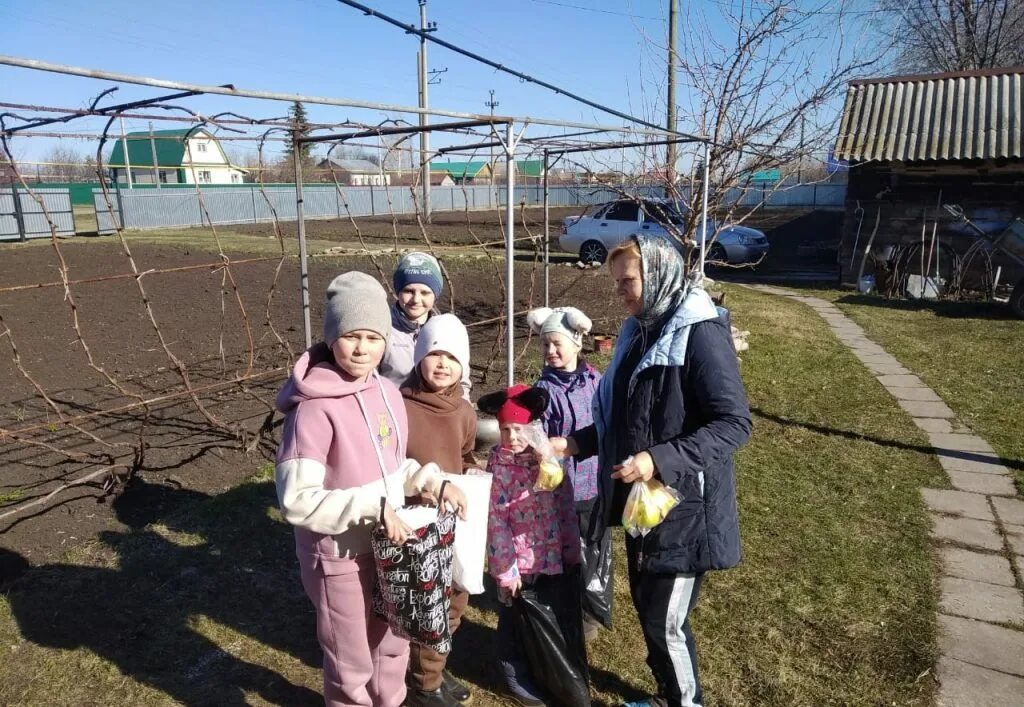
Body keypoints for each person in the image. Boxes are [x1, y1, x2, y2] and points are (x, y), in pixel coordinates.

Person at [552, 235, 752, 707]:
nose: (619, 291)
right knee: (649, 609)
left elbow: (734, 424)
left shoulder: (699, 333)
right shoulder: (639, 329)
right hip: (644, 505)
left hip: (684, 506)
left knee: (666, 621)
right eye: (616, 281)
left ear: (658, 275)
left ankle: (687, 702)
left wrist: (658, 459)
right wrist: (578, 442)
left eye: (627, 281)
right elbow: (624, 415)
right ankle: (668, 694)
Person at [274, 271, 467, 707]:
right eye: (351, 336)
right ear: (331, 338)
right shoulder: (312, 413)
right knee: (351, 656)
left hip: (390, 549)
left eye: (373, 336)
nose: (363, 348)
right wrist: (374, 508)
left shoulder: (386, 393)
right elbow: (296, 499)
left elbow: (394, 467)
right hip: (338, 556)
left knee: (393, 644)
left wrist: (431, 481)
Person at [480, 384, 582, 707]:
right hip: (517, 562)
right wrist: (506, 570)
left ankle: (537, 664)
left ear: (532, 427)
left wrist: (569, 546)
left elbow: (562, 502)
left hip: (548, 555)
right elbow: (496, 521)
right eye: (505, 430)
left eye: (518, 429)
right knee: (512, 617)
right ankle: (512, 672)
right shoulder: (499, 466)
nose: (512, 437)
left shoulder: (545, 461)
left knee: (540, 615)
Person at [400, 313, 477, 706]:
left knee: (455, 599)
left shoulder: (463, 411)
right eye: (433, 353)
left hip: (455, 519)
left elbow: (465, 456)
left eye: (451, 356)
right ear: (418, 357)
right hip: (416, 523)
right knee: (426, 605)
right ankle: (422, 686)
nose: (442, 363)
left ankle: (436, 671)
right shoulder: (401, 406)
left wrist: (477, 473)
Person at [526, 306, 608, 641]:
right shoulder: (542, 390)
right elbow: (534, 433)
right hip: (560, 488)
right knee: (565, 549)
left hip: (594, 482)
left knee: (595, 547)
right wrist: (542, 446)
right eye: (545, 345)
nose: (550, 351)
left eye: (557, 343)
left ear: (577, 343)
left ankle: (589, 610)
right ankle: (565, 608)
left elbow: (607, 423)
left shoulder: (596, 381)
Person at [379, 252, 471, 398]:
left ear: (435, 294)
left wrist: (460, 415)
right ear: (398, 291)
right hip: (392, 413)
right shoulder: (382, 329)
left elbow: (462, 383)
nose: (416, 299)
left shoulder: (448, 331)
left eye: (425, 292)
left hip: (437, 414)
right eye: (408, 291)